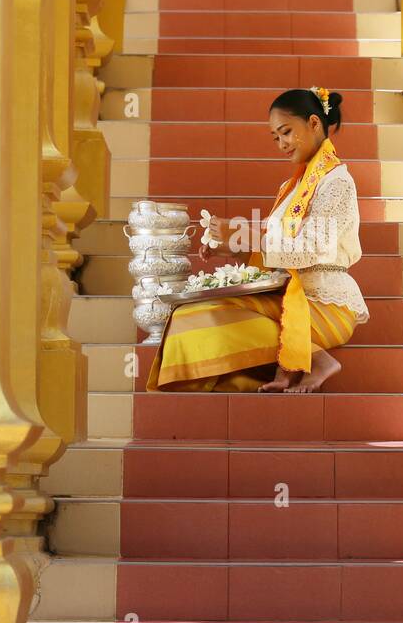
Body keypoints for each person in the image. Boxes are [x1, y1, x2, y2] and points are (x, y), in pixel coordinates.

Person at [146, 86, 370, 393]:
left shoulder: (337, 182)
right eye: (276, 137)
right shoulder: (292, 188)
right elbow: (268, 245)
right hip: (287, 297)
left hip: (325, 303)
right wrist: (229, 244)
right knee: (188, 316)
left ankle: (316, 359)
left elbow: (310, 249)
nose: (281, 144)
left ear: (315, 124)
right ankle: (308, 357)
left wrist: (245, 235)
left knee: (208, 319)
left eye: (286, 132)